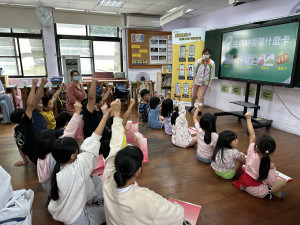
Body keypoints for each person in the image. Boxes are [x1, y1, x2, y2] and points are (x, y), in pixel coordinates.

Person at [102, 99, 185, 225]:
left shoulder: (107, 176)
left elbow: (115, 146)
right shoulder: (148, 199)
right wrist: (176, 206)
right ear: (138, 170)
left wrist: (117, 114)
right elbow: (178, 215)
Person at [48, 104, 109, 225]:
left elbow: (87, 140)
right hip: (78, 219)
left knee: (96, 179)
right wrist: (106, 115)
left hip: (68, 209)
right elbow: (94, 139)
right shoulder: (78, 166)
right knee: (110, 211)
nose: (79, 150)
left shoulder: (58, 165)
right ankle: (98, 206)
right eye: (77, 149)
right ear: (72, 156)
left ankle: (93, 204)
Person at [232, 112, 286, 199]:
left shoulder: (251, 151)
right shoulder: (270, 165)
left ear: (256, 147)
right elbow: (270, 181)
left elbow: (252, 134)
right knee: (282, 182)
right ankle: (271, 192)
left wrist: (248, 119)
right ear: (271, 151)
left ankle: (270, 191)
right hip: (256, 190)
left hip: (243, 182)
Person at [37, 102, 83, 196]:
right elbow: (68, 132)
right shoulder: (55, 154)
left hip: (48, 189)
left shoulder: (41, 156)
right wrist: (77, 113)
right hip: (59, 190)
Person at [10, 78, 47, 166]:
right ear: (23, 116)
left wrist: (25, 161)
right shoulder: (25, 123)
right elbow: (31, 104)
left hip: (35, 161)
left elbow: (19, 147)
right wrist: (34, 84)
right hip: (43, 159)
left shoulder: (17, 131)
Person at [188, 48, 215, 113]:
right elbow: (194, 72)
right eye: (204, 54)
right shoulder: (198, 61)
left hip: (204, 83)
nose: (206, 55)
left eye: (207, 54)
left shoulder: (212, 63)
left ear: (209, 55)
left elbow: (212, 75)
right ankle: (192, 106)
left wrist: (209, 84)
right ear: (202, 55)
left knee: (201, 97)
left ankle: (200, 110)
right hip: (197, 81)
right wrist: (193, 82)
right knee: (193, 95)